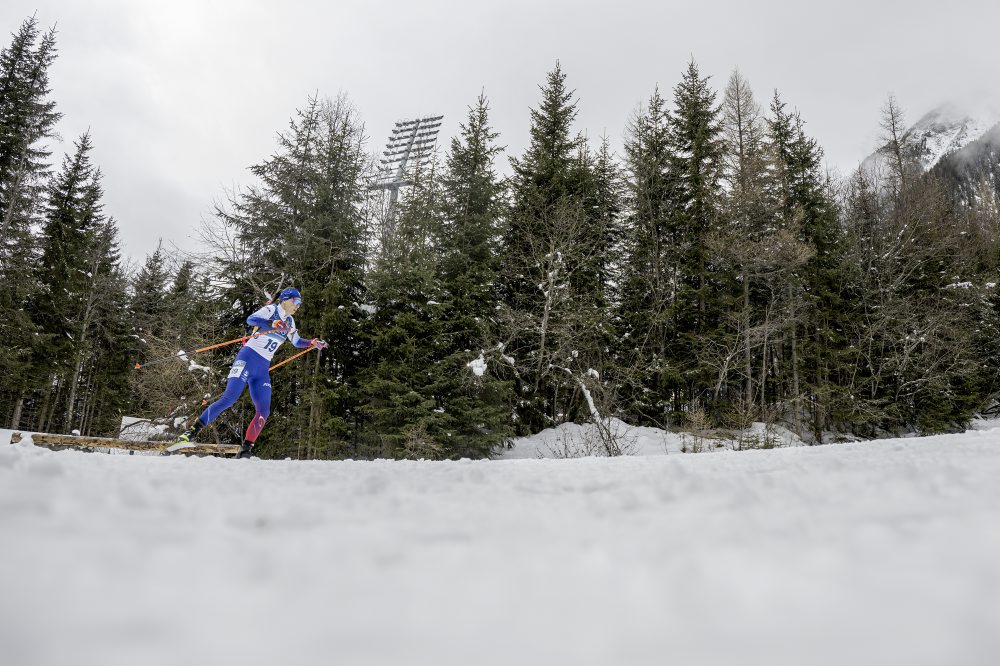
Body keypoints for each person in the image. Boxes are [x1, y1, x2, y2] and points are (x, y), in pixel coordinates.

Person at [175, 287, 328, 458]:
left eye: (300, 303)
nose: (298, 306)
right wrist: (273, 323)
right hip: (247, 358)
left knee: (264, 410)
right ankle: (191, 433)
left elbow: (297, 341)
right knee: (229, 398)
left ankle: (245, 450)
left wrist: (312, 343)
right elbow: (251, 319)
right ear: (285, 299)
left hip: (262, 368)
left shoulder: (291, 322)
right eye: (296, 301)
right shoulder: (271, 310)